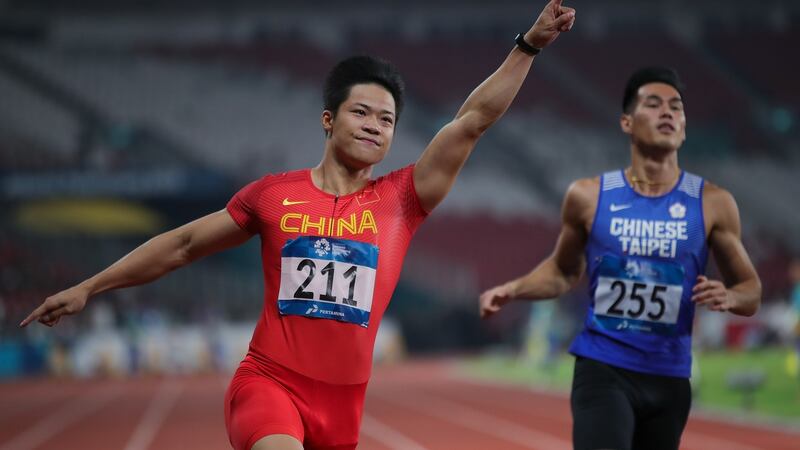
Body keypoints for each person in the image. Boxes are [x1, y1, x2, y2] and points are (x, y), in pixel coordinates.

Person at [20, 2, 576, 449]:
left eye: (387, 120)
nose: (375, 127)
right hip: (269, 385)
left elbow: (472, 121)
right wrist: (89, 286)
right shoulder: (272, 195)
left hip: (345, 408)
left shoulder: (403, 198)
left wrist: (527, 47)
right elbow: (184, 244)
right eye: (361, 113)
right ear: (329, 120)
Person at [479, 66, 761, 450]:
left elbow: (751, 290)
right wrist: (514, 288)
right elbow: (562, 273)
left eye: (676, 107)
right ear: (627, 122)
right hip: (604, 367)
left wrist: (731, 297)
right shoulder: (589, 196)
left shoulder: (712, 203)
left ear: (685, 126)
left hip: (670, 376)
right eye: (654, 104)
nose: (667, 113)